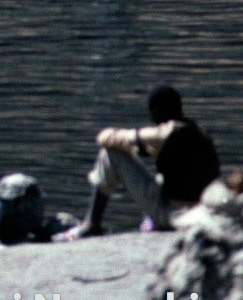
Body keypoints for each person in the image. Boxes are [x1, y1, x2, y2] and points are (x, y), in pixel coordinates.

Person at [57, 86, 220, 239]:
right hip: (203, 212)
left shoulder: (164, 133)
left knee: (111, 153)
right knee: (161, 179)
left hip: (175, 216)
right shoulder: (199, 131)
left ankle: (91, 224)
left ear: (156, 112)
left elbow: (106, 138)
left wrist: (131, 145)